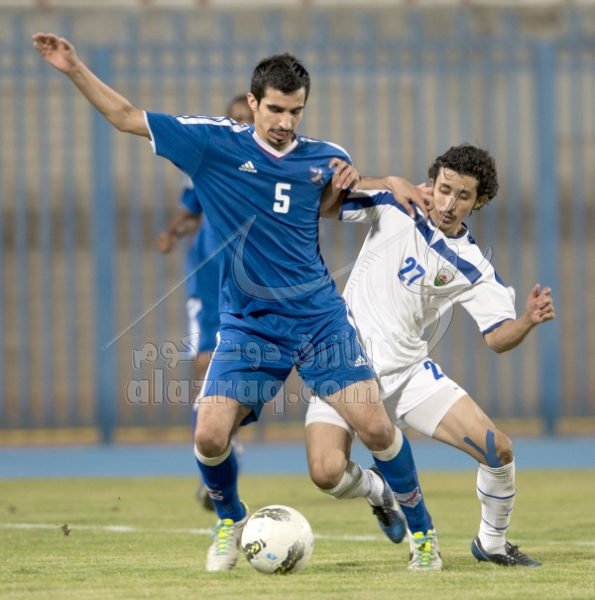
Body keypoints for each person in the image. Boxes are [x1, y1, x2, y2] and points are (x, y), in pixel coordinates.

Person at [33, 33, 434, 572]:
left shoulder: (325, 157)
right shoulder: (211, 144)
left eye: (295, 111)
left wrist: (384, 181)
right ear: (253, 103)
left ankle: (424, 535)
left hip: (318, 322)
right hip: (250, 326)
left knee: (378, 429)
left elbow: (331, 202)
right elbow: (125, 117)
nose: (285, 121)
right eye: (275, 109)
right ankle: (230, 518)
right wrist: (74, 67)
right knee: (208, 432)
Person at [307, 144, 555, 570]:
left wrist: (527, 321)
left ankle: (492, 542)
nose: (449, 203)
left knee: (499, 451)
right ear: (431, 182)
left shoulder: (473, 266)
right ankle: (379, 490)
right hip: (343, 367)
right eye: (444, 189)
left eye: (463, 195)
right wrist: (380, 181)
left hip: (406, 375)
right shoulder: (395, 205)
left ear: (480, 201)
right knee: (326, 473)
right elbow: (323, 207)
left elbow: (497, 338)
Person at [155, 96, 254, 511]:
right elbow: (190, 208)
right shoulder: (208, 161)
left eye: (248, 119)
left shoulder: (270, 167)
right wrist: (172, 232)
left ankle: (227, 438)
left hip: (249, 280)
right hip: (208, 276)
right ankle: (212, 470)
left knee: (239, 370)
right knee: (203, 362)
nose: (241, 125)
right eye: (235, 119)